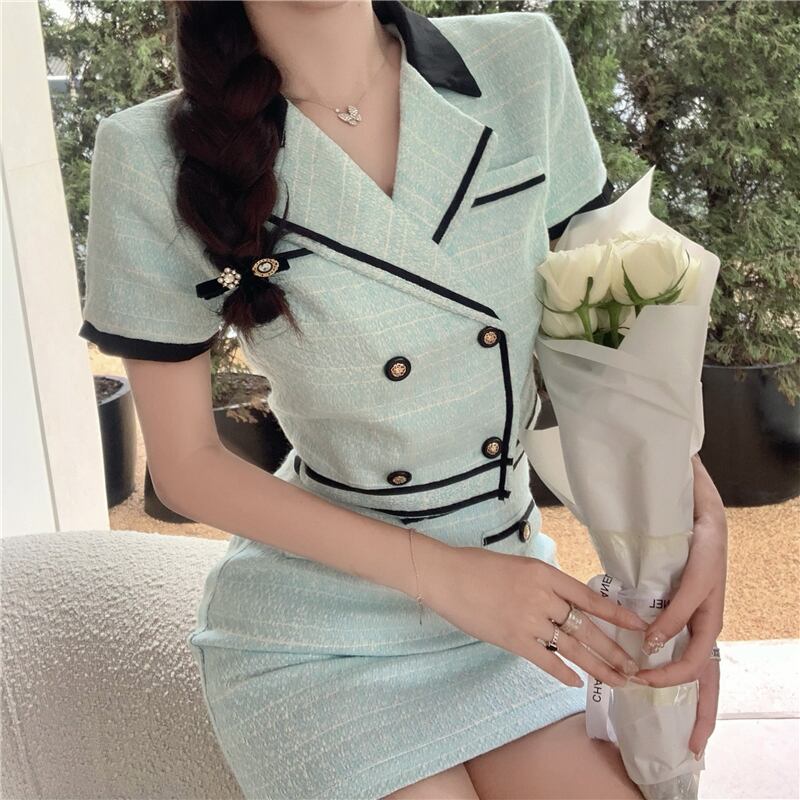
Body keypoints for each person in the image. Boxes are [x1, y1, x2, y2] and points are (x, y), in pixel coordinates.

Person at [78, 1, 727, 798]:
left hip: (511, 601)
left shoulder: (521, 63)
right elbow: (186, 466)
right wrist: (446, 577)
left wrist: (690, 525)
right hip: (321, 628)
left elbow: (611, 344)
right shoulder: (151, 153)